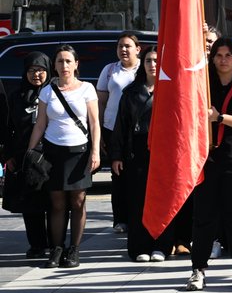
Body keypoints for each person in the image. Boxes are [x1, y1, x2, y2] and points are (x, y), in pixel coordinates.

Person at [184, 38, 232, 291]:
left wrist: (221, 118)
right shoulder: (204, 87)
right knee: (204, 216)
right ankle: (198, 269)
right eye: (219, 55)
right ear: (212, 58)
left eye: (229, 55)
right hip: (207, 159)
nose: (223, 60)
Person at [29, 45, 101, 269]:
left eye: (68, 61)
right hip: (53, 151)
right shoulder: (47, 91)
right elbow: (40, 124)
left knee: (78, 201)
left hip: (79, 152)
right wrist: (30, 153)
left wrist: (96, 151)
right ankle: (57, 248)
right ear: (55, 66)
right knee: (57, 203)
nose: (64, 65)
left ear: (76, 64)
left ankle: (74, 249)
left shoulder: (87, 89)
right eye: (60, 61)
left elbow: (94, 123)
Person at [112, 47, 171, 262]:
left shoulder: (170, 89)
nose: (153, 64)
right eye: (148, 60)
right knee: (138, 201)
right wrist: (117, 155)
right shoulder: (131, 92)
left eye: (156, 60)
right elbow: (121, 125)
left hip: (164, 150)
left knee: (162, 200)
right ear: (142, 64)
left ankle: (162, 246)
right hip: (136, 150)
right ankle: (139, 247)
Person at [4, 53, 51, 259]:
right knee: (30, 204)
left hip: (51, 156)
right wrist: (8, 156)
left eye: (41, 70)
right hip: (25, 157)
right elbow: (8, 128)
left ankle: (56, 243)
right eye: (31, 70)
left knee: (54, 203)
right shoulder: (17, 96)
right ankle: (37, 245)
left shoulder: (55, 93)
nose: (36, 75)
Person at [97, 31, 140, 235]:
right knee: (117, 175)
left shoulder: (145, 68)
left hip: (138, 130)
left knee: (137, 174)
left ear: (137, 49)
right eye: (120, 46)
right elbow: (101, 101)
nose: (123, 49)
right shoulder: (109, 70)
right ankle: (120, 219)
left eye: (128, 46)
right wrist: (100, 131)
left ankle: (137, 217)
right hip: (112, 128)